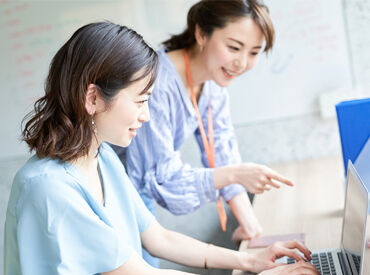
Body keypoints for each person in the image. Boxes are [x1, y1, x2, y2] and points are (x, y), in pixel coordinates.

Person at [3, 21, 318, 275]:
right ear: (93, 98)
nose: (147, 115)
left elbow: (159, 238)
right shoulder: (49, 188)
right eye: (140, 101)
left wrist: (252, 261)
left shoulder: (103, 157)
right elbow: (137, 272)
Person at [125, 0, 293, 265]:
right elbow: (164, 181)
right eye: (234, 47)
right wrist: (237, 174)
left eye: (254, 52)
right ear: (202, 33)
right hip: (113, 199)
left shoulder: (213, 81)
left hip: (138, 197)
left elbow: (222, 151)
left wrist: (250, 225)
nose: (241, 62)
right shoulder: (157, 84)